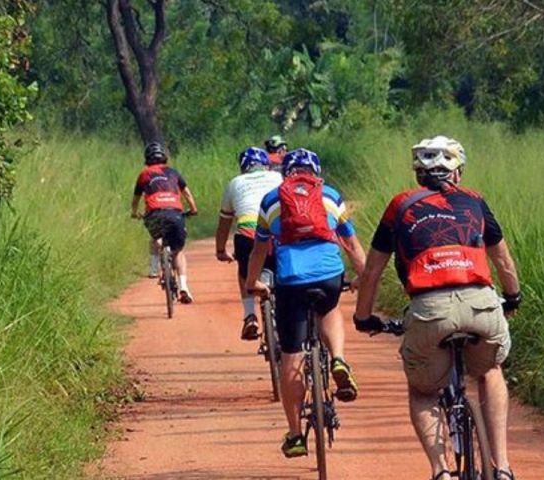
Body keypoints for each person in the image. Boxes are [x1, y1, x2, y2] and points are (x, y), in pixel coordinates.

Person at [352, 136, 521, 480]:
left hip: (430, 310)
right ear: (457, 173)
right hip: (481, 304)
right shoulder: (476, 201)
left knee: (423, 389)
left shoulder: (400, 206)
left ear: (419, 175)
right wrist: (513, 297)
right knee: (490, 371)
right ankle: (502, 467)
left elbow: (372, 271)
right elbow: (502, 259)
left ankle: (440, 470)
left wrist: (363, 317)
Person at [245, 148, 367, 458]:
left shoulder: (271, 200)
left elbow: (259, 251)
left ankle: (296, 434)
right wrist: (364, 276)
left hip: (290, 280)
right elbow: (351, 244)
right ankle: (338, 358)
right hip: (328, 274)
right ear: (316, 172)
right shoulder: (331, 195)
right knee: (330, 307)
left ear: (286, 173)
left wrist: (251, 283)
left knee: (291, 354)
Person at [215, 146, 283, 339]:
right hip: (276, 233)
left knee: (244, 271)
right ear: (266, 165)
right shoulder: (278, 178)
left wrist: (220, 250)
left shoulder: (235, 183)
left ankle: (250, 316)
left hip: (247, 235)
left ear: (243, 167)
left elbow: (224, 224)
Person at [131, 142, 199, 303]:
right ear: (164, 157)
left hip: (154, 214)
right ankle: (183, 286)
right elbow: (187, 194)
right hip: (175, 214)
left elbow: (136, 199)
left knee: (155, 238)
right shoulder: (173, 173)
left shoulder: (144, 175)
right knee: (178, 251)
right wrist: (193, 209)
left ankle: (154, 268)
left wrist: (134, 213)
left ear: (147, 159)